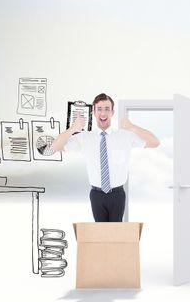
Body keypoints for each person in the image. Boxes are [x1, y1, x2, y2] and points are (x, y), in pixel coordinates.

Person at [52, 93, 160, 222]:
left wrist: (132, 127)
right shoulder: (84, 137)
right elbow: (55, 147)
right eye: (100, 109)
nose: (103, 113)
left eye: (107, 109)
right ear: (94, 112)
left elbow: (155, 142)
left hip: (117, 194)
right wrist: (73, 129)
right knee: (100, 235)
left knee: (116, 235)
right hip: (96, 194)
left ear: (112, 112)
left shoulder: (125, 136)